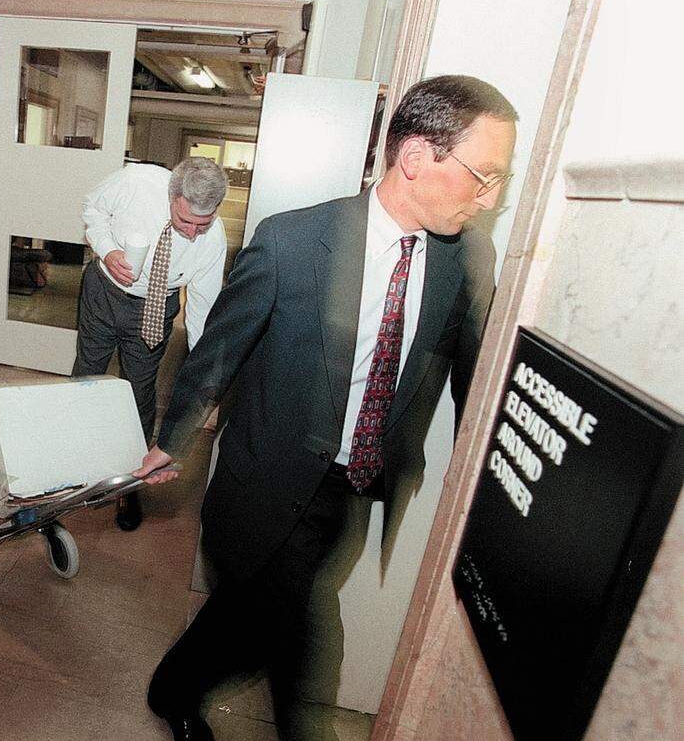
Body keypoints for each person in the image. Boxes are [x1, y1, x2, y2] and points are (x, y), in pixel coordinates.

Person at [135, 75, 518, 740]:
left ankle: (172, 688)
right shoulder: (290, 244)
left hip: (354, 488)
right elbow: (218, 353)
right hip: (268, 475)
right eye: (484, 175)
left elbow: (472, 377)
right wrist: (172, 438)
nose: (492, 197)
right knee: (308, 643)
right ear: (417, 157)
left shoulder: (468, 260)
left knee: (250, 612)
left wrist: (488, 486)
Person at [73, 157, 229, 531]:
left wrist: (205, 377)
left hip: (155, 306)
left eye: (202, 225)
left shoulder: (213, 241)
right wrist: (108, 249)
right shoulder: (136, 181)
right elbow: (92, 207)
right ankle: (73, 467)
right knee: (85, 379)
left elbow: (203, 314)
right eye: (185, 222)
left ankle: (131, 483)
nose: (192, 233)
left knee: (138, 391)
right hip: (103, 291)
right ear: (173, 196)